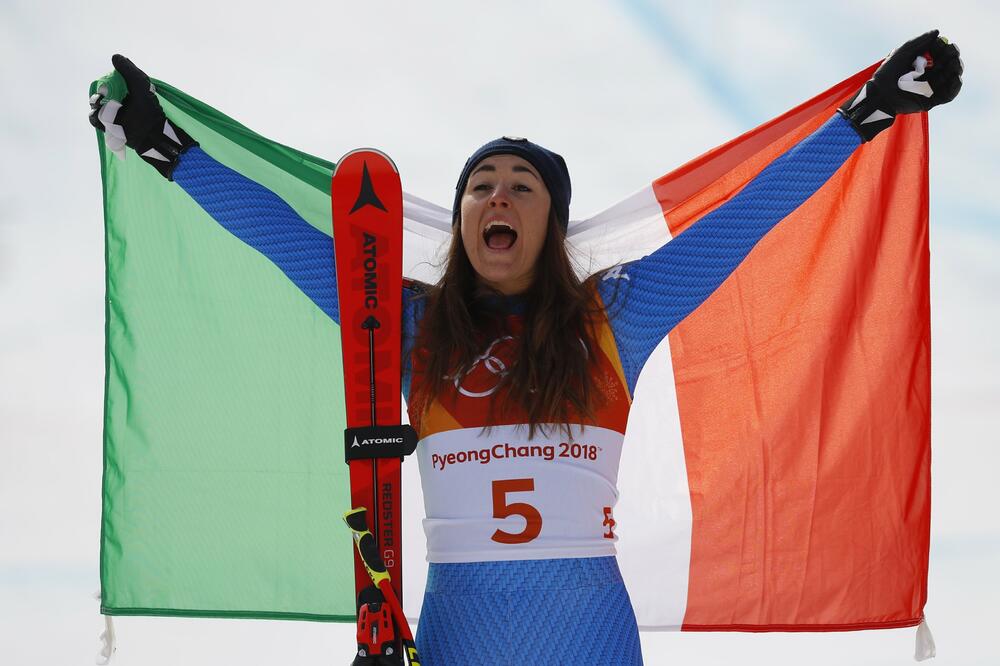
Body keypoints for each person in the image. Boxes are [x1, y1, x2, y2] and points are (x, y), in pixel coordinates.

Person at [89, 30, 962, 665]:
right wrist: (166, 148)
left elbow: (745, 219)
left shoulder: (616, 314)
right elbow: (286, 239)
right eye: (480, 187)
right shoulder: (407, 326)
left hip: (590, 634)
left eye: (520, 187)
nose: (496, 198)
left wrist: (870, 112)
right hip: (458, 631)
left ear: (551, 221)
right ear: (462, 217)